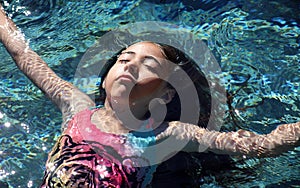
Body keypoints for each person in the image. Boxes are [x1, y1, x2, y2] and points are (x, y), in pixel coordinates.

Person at [0, 4, 299, 188]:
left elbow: (255, 146)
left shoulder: (164, 134)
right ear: (105, 82)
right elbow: (24, 54)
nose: (130, 63)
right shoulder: (75, 106)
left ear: (167, 94)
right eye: (124, 58)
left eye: (149, 64)